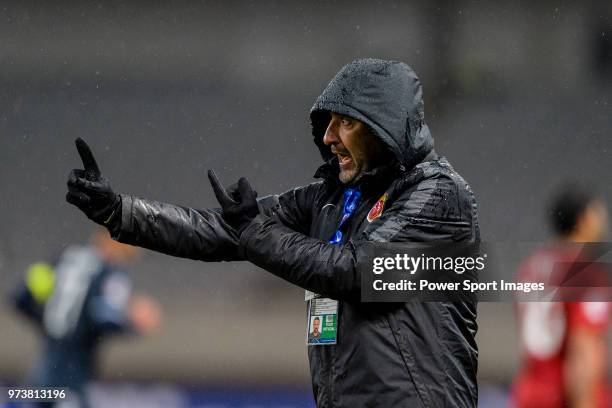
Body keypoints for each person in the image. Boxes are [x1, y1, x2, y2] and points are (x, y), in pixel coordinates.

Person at [65, 58, 480, 407]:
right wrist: (118, 212)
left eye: (345, 123)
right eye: (327, 123)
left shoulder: (439, 194)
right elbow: (222, 231)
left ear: (383, 126)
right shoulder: (330, 198)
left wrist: (256, 233)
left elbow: (360, 272)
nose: (328, 136)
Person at [11, 230, 161, 408]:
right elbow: (102, 317)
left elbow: (20, 297)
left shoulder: (64, 258)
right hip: (71, 378)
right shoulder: (111, 272)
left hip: (42, 376)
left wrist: (48, 324)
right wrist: (132, 323)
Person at [512, 184, 610, 408]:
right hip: (563, 399)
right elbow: (584, 353)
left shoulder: (531, 267)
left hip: (530, 396)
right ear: (584, 219)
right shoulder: (584, 270)